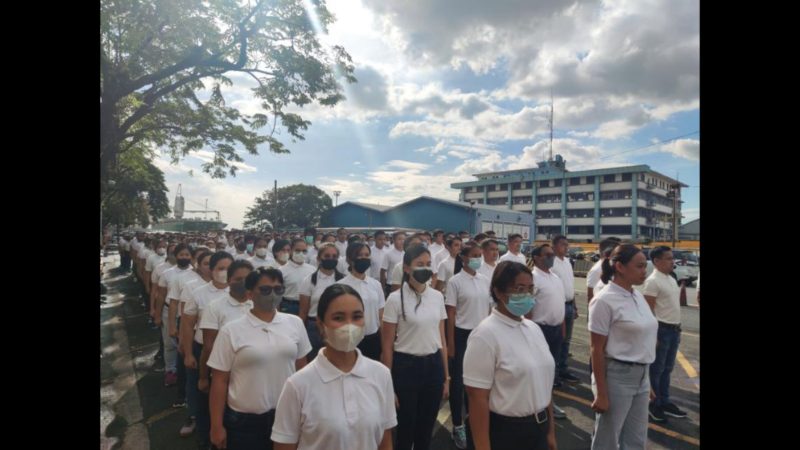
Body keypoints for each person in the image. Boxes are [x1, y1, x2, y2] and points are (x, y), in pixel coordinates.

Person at [271, 284, 396, 450]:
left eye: (357, 316)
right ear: (321, 325)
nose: (349, 326)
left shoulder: (381, 375)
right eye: (338, 318)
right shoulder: (298, 385)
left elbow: (385, 440)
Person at [208, 267, 311, 450]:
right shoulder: (231, 331)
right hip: (245, 421)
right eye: (265, 290)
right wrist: (216, 426)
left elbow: (302, 369)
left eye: (278, 289)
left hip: (287, 415)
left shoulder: (294, 323)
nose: (272, 294)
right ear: (250, 294)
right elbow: (219, 381)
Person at [463, 261, 557, 450]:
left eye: (530, 288)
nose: (527, 295)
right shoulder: (485, 335)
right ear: (498, 292)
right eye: (519, 288)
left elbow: (544, 388)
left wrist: (550, 433)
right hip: (506, 432)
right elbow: (477, 398)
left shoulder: (533, 328)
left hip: (539, 427)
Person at [588, 244, 657, 450]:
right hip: (616, 375)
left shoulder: (637, 296)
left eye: (645, 266)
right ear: (619, 266)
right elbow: (596, 349)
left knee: (636, 440)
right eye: (640, 266)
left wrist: (647, 380)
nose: (644, 271)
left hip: (642, 375)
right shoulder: (604, 300)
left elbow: (642, 342)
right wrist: (601, 392)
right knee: (607, 439)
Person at [381, 244, 449, 450]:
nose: (425, 268)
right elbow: (387, 346)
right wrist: (388, 385)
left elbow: (442, 339)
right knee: (405, 428)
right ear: (407, 268)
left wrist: (446, 377)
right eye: (420, 264)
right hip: (405, 367)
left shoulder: (437, 297)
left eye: (428, 264)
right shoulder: (394, 299)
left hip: (433, 367)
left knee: (426, 427)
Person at [444, 241, 493, 449]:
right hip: (462, 335)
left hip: (482, 335)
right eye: (474, 255)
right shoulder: (455, 282)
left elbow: (490, 309)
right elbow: (451, 314)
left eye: (479, 255)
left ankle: (474, 421)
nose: (478, 259)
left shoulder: (484, 280)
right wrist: (451, 343)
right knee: (458, 384)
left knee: (479, 383)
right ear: (463, 258)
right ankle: (457, 425)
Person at [642, 246, 688, 422]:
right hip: (661, 330)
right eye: (668, 258)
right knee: (656, 370)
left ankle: (664, 401)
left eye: (671, 258)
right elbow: (648, 310)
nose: (672, 261)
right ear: (656, 261)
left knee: (667, 369)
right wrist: (653, 335)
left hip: (674, 329)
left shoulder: (670, 278)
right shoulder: (653, 281)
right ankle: (653, 405)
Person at [528, 244, 568, 419]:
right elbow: (528, 307)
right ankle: (536, 403)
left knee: (552, 368)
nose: (552, 257)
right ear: (537, 257)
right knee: (538, 369)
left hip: (556, 329)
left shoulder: (555, 277)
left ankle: (548, 401)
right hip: (539, 329)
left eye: (552, 254)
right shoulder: (533, 278)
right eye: (548, 255)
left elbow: (560, 304)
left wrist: (562, 326)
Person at [339, 242, 386, 361]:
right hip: (350, 339)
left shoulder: (376, 284)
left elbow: (381, 316)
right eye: (360, 255)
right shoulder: (341, 286)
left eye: (367, 255)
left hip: (373, 339)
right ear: (350, 259)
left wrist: (384, 344)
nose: (364, 258)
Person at [298, 243, 345, 361]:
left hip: (337, 326)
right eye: (327, 256)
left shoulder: (344, 280)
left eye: (334, 256)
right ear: (319, 258)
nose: (331, 259)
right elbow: (303, 311)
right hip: (314, 328)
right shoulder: (309, 281)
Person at [549, 235, 580, 385]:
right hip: (558, 306)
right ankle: (553, 374)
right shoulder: (551, 263)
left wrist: (574, 305)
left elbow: (570, 285)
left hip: (569, 304)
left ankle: (563, 369)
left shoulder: (567, 261)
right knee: (557, 340)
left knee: (566, 340)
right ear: (553, 246)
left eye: (567, 245)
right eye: (563, 245)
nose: (566, 247)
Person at [279, 238, 316, 316]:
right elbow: (278, 294)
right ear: (291, 251)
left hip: (309, 306)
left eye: (304, 251)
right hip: (289, 306)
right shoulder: (282, 270)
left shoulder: (312, 269)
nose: (301, 253)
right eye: (297, 250)